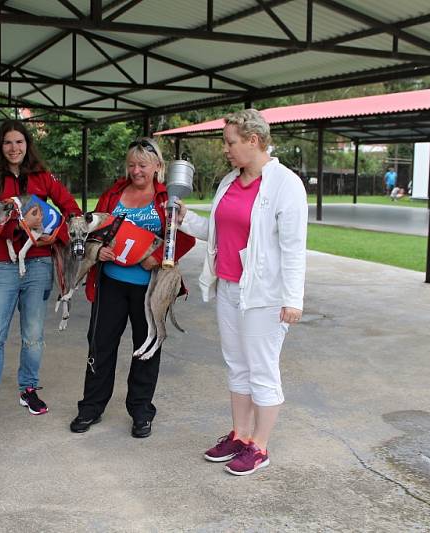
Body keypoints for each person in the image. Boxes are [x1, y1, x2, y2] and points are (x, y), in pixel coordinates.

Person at [177, 109, 308, 476]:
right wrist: (185, 219)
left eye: (230, 142)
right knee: (236, 365)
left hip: (265, 295)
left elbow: (294, 247)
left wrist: (292, 300)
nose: (225, 150)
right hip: (229, 287)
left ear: (254, 141)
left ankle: (260, 446)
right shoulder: (230, 181)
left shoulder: (285, 184)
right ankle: (240, 434)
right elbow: (219, 229)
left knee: (262, 370)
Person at [69, 137, 196, 438]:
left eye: (142, 164)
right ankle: (91, 407)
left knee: (147, 348)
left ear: (157, 167)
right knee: (100, 346)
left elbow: (184, 237)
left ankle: (141, 411)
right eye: (131, 165)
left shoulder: (168, 198)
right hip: (111, 283)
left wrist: (162, 257)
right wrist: (96, 251)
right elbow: (92, 231)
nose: (136, 170)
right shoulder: (114, 194)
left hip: (149, 289)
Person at [0, 120, 81, 427]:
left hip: (38, 263)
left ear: (28, 145)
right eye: (8, 143)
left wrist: (56, 233)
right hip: (3, 264)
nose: (14, 148)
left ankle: (29, 389)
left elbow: (71, 208)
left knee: (33, 336)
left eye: (20, 142)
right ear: (0, 147)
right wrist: (26, 226)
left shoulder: (42, 175)